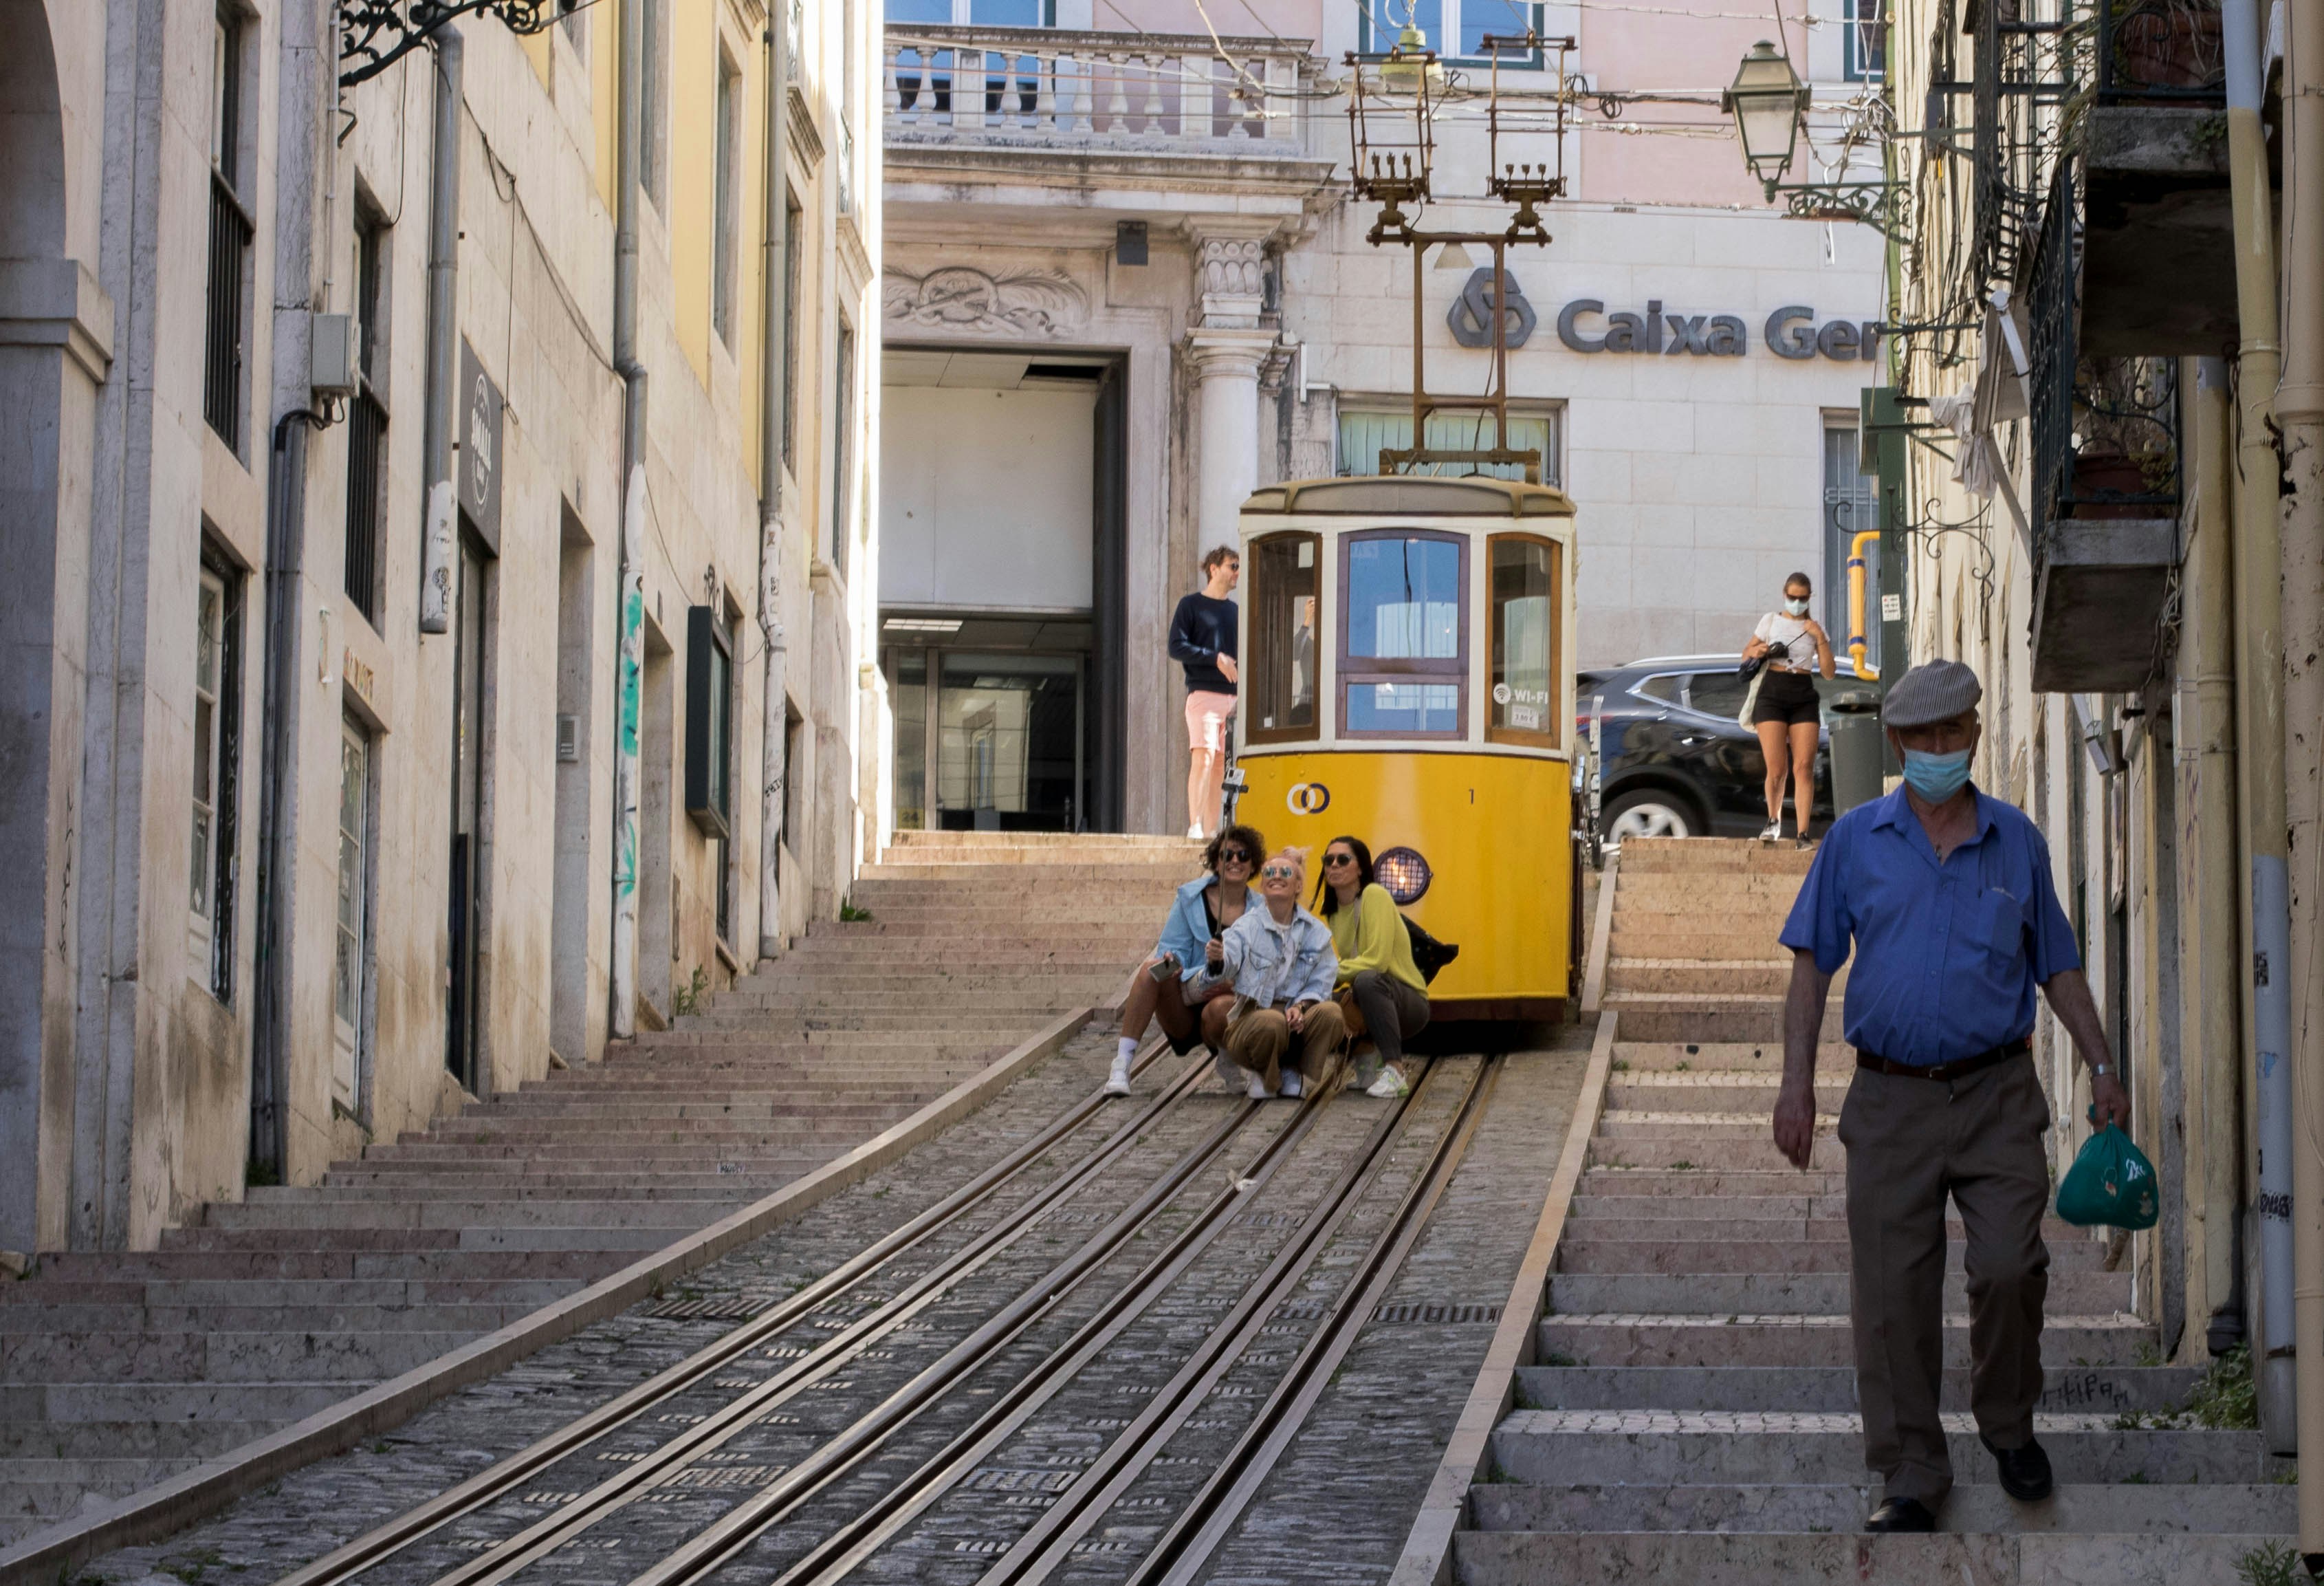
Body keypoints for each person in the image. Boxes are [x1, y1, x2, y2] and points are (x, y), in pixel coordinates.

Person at [1770, 658, 2129, 1535]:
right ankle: (1909, 1473)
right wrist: (1794, 1086)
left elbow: (2056, 963)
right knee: (1891, 1293)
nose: (1939, 748)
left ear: (1973, 731)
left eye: (1953, 731)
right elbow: (1812, 965)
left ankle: (2007, 1425)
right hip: (1887, 1098)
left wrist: (2101, 1062)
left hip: (1998, 1092)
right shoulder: (1853, 840)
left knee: (2009, 1265)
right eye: (1922, 736)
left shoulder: (2017, 841)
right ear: (1896, 742)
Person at [1107, 824, 1264, 1096]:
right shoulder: (1190, 898)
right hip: (1186, 991)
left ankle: (1229, 1057)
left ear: (1254, 865)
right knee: (1151, 970)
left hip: (1227, 1001)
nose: (1235, 861)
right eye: (1227, 855)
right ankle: (1121, 1065)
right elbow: (1173, 947)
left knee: (1223, 1005)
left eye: (1243, 855)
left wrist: (1232, 981)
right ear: (1216, 862)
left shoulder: (1262, 910)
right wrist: (1172, 961)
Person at [1187, 847, 1344, 1100]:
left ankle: (1295, 1070)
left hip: (1296, 1020)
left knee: (1332, 1013)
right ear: (1262, 885)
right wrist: (1217, 960)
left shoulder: (1316, 931)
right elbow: (1228, 962)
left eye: (1285, 872)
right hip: (1254, 1019)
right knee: (1271, 1020)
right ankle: (1263, 1073)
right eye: (1270, 872)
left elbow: (1322, 982)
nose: (1276, 876)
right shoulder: (1246, 926)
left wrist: (1301, 1007)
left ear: (1297, 886)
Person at [1315, 836, 1429, 1100]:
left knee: (1367, 980)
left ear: (1361, 868)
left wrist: (1329, 973)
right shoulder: (1333, 913)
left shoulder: (1375, 895)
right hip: (1373, 997)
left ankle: (1395, 1070)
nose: (1334, 865)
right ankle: (1365, 1060)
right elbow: (1348, 969)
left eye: (1343, 859)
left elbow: (1377, 961)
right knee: (1319, 1004)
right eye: (1328, 860)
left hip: (1407, 1002)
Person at [1740, 571, 1837, 845]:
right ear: (1785, 595)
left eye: (1802, 598)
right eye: (1792, 597)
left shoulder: (1815, 628)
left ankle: (1803, 833)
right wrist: (1760, 651)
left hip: (1803, 693)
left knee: (1804, 766)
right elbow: (1746, 653)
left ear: (1809, 598)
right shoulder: (1771, 621)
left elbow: (1829, 673)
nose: (1797, 602)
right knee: (1777, 768)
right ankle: (1773, 820)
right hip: (1772, 692)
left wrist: (1820, 638)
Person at [1170, 546, 1241, 839]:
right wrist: (1216, 658)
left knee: (1219, 768)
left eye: (1238, 567)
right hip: (1204, 694)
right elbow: (1176, 646)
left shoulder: (1236, 611)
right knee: (1204, 757)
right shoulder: (1190, 605)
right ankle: (1196, 825)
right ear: (1214, 568)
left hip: (1234, 698)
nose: (1237, 572)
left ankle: (1212, 830)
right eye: (1233, 566)